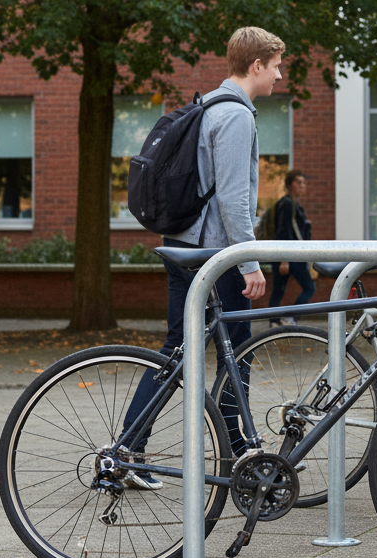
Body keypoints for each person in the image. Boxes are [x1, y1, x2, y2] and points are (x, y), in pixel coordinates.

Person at [120, 26, 285, 487]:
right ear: (256, 65)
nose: (278, 75)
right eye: (275, 66)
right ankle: (239, 457)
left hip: (184, 246)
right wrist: (249, 262)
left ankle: (128, 452)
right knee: (239, 349)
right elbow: (234, 200)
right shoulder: (236, 116)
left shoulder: (207, 104)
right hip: (213, 254)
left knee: (178, 352)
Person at [267, 169, 315, 324]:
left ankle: (274, 320)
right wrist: (284, 260)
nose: (302, 186)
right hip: (289, 257)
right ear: (289, 185)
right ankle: (291, 317)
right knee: (309, 287)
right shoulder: (287, 204)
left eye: (304, 183)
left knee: (278, 289)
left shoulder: (293, 204)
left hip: (289, 255)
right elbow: (284, 231)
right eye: (298, 182)